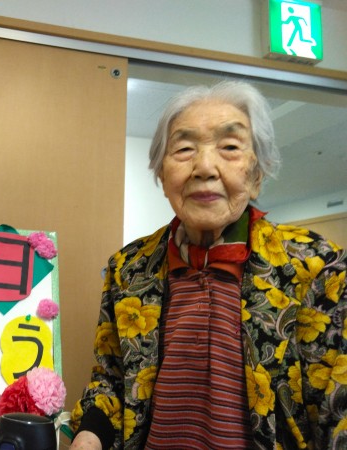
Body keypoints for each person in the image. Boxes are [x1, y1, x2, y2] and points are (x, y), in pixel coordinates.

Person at [69, 80, 347, 449]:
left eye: (229, 147)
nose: (204, 167)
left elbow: (337, 410)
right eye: (184, 149)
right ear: (161, 175)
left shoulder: (317, 268)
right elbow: (111, 379)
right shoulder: (129, 268)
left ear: (257, 175)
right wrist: (88, 436)